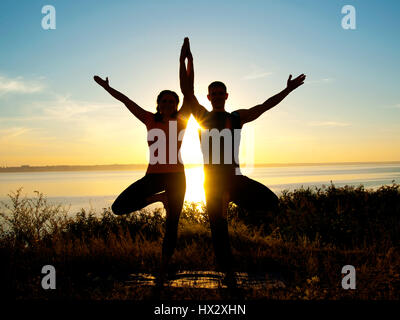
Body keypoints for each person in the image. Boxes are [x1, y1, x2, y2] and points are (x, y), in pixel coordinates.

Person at [180, 38, 306, 279]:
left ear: (226, 95)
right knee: (218, 230)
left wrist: (288, 90)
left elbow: (265, 105)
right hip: (211, 180)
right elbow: (187, 91)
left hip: (234, 177)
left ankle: (237, 207)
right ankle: (227, 274)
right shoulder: (202, 116)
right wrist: (187, 60)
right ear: (209, 97)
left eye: (220, 93)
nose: (217, 96)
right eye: (213, 93)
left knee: (270, 202)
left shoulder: (237, 117)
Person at [93, 43, 192, 285]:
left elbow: (188, 89)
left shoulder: (182, 119)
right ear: (158, 104)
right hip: (154, 177)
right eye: (164, 101)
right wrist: (108, 88)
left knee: (172, 224)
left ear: (176, 105)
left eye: (172, 101)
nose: (168, 104)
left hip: (177, 177)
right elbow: (126, 101)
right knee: (119, 206)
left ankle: (163, 270)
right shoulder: (149, 118)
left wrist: (185, 61)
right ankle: (159, 199)